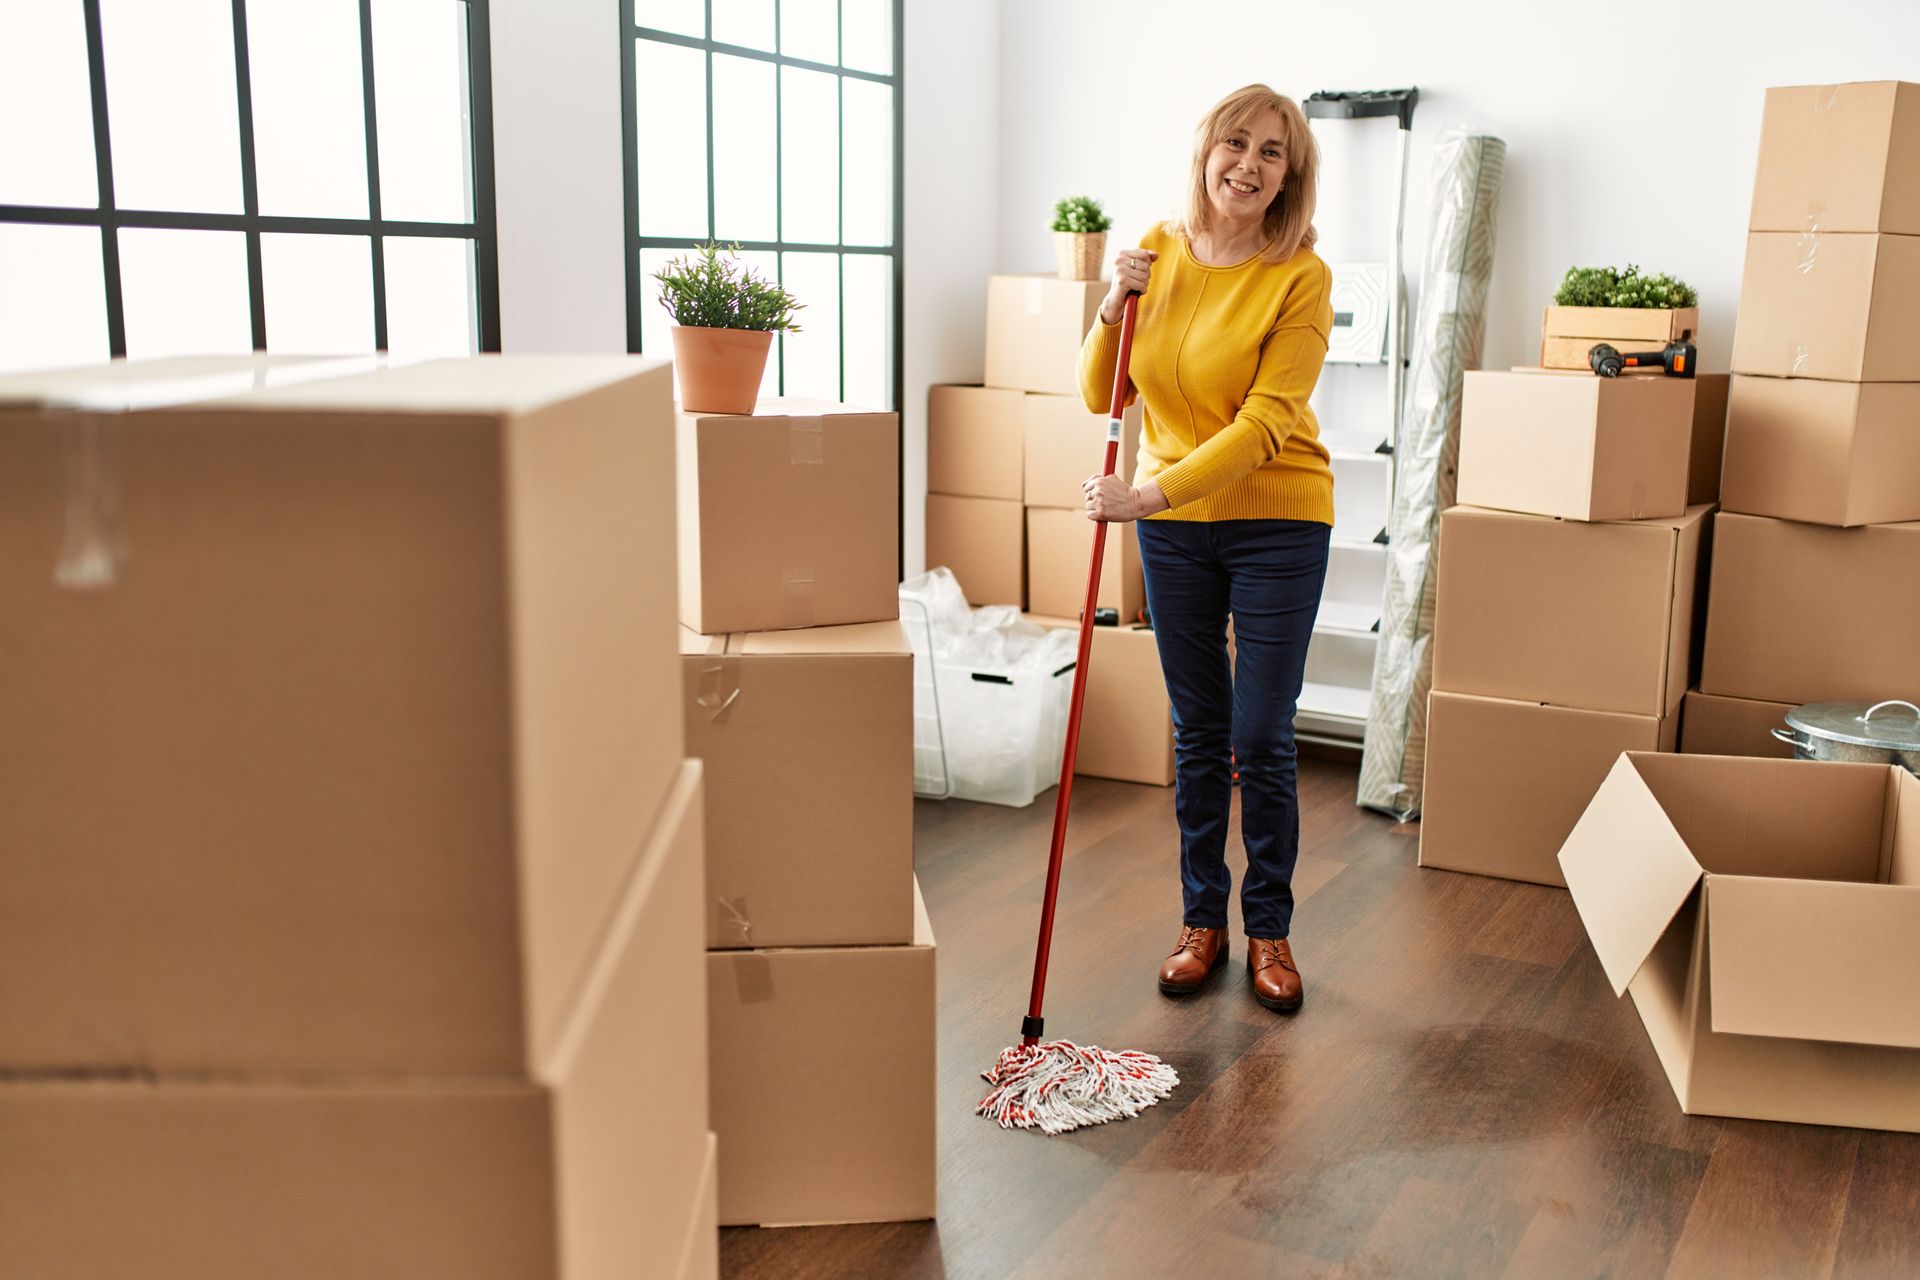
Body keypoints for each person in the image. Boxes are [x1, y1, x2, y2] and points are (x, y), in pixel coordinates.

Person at [1077, 83, 1334, 1014]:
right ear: (1205, 151)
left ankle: (1269, 928)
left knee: (1259, 735)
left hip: (1277, 520)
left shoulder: (1300, 277)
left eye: (1273, 153)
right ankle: (1202, 922)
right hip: (1178, 529)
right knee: (1197, 734)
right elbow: (1101, 390)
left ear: (1288, 178)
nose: (1250, 164)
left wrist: (1146, 494)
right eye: (1237, 143)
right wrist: (1113, 302)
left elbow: (1268, 423)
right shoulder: (1159, 249)